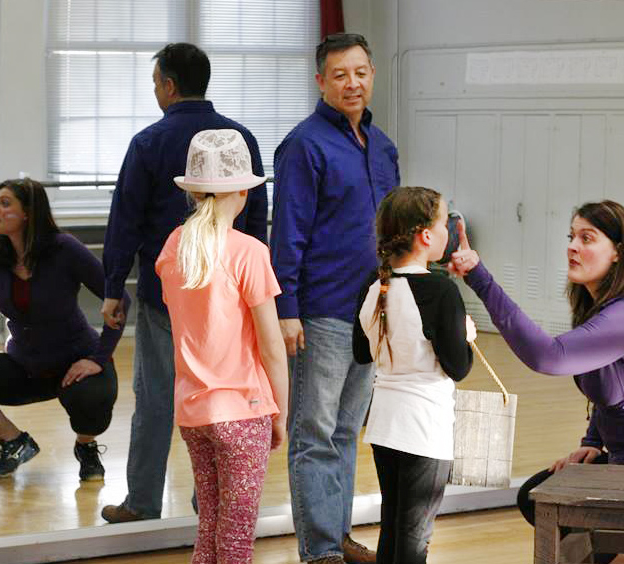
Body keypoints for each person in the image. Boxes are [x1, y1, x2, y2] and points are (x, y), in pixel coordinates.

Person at [448, 200, 624, 564]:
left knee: (575, 527)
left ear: (618, 253)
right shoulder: (605, 311)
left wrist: (480, 278)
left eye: (587, 238)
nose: (572, 246)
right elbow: (613, 391)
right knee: (536, 494)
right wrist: (594, 442)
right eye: (571, 236)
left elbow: (547, 357)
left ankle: (620, 553)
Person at [100, 43, 268, 523]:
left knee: (155, 398)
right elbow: (256, 219)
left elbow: (125, 220)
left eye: (156, 83)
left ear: (169, 85)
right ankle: (207, 504)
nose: (156, 92)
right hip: (230, 301)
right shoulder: (242, 139)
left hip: (165, 298)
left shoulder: (149, 143)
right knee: (223, 401)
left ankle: (142, 502)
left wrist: (115, 286)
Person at [270, 32, 400, 564]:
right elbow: (289, 233)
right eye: (341, 74)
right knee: (314, 433)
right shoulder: (304, 145)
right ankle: (320, 549)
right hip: (320, 309)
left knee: (347, 430)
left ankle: (340, 536)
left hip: (373, 310)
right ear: (321, 81)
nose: (354, 83)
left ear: (373, 75)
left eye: (362, 72)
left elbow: (395, 228)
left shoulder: (384, 146)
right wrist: (286, 310)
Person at [0, 177, 129, 481]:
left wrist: (98, 358)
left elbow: (118, 299)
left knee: (92, 399)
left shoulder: (64, 248)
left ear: (28, 213)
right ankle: (15, 442)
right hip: (25, 366)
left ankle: (86, 447)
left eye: (5, 203)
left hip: (76, 362)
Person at [155, 129, 288, 564]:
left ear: (193, 190)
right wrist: (280, 414)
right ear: (244, 192)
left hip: (193, 411)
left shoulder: (174, 247)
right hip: (243, 410)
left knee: (210, 527)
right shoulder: (249, 252)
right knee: (235, 539)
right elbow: (272, 347)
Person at [352, 187, 475, 564]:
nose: (448, 230)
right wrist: (466, 336)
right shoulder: (440, 290)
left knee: (393, 530)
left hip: (384, 424)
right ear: (425, 235)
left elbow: (361, 353)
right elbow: (459, 367)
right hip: (424, 427)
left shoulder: (373, 286)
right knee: (414, 539)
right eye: (443, 222)